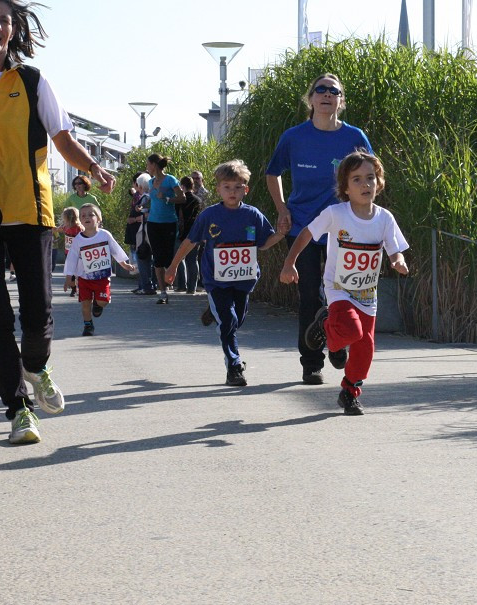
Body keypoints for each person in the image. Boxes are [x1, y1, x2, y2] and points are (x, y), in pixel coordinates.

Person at [0, 0, 116, 445]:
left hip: (29, 209)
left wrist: (92, 169)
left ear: (14, 30)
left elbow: (62, 136)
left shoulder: (32, 80)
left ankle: (35, 365)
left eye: (4, 20)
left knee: (38, 312)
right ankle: (18, 410)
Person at [280, 151, 408, 416]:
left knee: (365, 349)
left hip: (367, 294)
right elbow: (306, 234)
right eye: (357, 179)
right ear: (345, 188)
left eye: (370, 178)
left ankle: (349, 392)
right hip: (338, 289)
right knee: (349, 329)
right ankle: (329, 327)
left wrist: (397, 260)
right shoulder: (336, 214)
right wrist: (289, 262)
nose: (365, 185)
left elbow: (394, 248)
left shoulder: (385, 218)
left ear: (379, 183)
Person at [266, 72, 373, 386]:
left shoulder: (355, 136)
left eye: (334, 91)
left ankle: (337, 341)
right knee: (310, 297)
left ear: (341, 100)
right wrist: (282, 208)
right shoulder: (294, 136)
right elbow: (273, 173)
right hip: (302, 227)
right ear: (310, 99)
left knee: (345, 296)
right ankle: (311, 363)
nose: (327, 95)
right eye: (320, 90)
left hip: (344, 232)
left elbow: (370, 176)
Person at [164, 160, 286, 386]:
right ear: (218, 189)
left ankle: (214, 311)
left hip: (244, 280)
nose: (232, 191)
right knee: (228, 321)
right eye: (227, 186)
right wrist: (173, 266)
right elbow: (190, 241)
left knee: (236, 320)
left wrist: (279, 234)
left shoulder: (253, 215)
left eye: (238, 187)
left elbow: (264, 243)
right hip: (216, 280)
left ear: (245, 189)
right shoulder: (210, 215)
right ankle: (234, 366)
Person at [63, 203, 135, 336]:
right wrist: (69, 277)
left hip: (102, 277)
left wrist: (124, 264)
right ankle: (88, 325)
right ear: (80, 220)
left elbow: (115, 250)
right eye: (83, 215)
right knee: (85, 304)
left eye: (91, 214)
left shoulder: (104, 235)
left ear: (99, 218)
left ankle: (98, 304)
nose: (87, 217)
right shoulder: (78, 239)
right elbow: (72, 258)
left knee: (103, 301)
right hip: (84, 277)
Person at [146, 152, 183, 305]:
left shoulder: (170, 179)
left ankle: (169, 282)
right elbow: (153, 201)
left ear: (154, 165)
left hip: (169, 222)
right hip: (153, 222)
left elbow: (182, 198)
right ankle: (163, 293)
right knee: (157, 258)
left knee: (168, 257)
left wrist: (167, 198)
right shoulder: (150, 182)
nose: (147, 167)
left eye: (148, 164)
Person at [175, 175, 202, 294]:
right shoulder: (198, 200)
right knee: (193, 260)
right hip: (195, 232)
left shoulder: (180, 200)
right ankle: (192, 287)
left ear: (183, 186)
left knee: (179, 258)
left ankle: (182, 285)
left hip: (181, 233)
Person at [56, 206, 82, 295]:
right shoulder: (65, 227)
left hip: (78, 253)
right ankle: (74, 288)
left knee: (77, 272)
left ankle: (77, 287)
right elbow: (56, 229)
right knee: (71, 272)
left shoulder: (79, 228)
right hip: (68, 253)